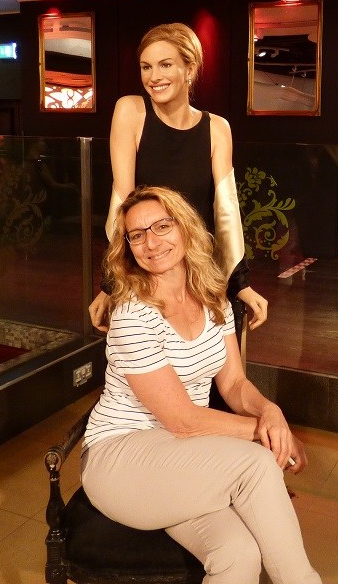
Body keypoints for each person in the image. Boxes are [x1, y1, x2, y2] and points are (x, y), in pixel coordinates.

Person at [81, 185, 321, 584]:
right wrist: (269, 434)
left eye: (162, 226)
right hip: (120, 460)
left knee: (237, 554)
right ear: (128, 247)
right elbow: (183, 420)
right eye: (137, 235)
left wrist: (270, 412)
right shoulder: (133, 315)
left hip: (181, 456)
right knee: (256, 464)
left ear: (185, 228)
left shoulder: (213, 300)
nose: (151, 243)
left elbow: (234, 383)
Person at [89, 22, 267, 334]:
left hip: (199, 275)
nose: (153, 77)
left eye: (165, 65)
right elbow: (122, 205)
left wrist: (241, 283)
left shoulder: (217, 128)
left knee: (214, 362)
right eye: (146, 67)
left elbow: (225, 213)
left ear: (190, 69)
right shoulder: (131, 111)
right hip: (146, 274)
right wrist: (109, 283)